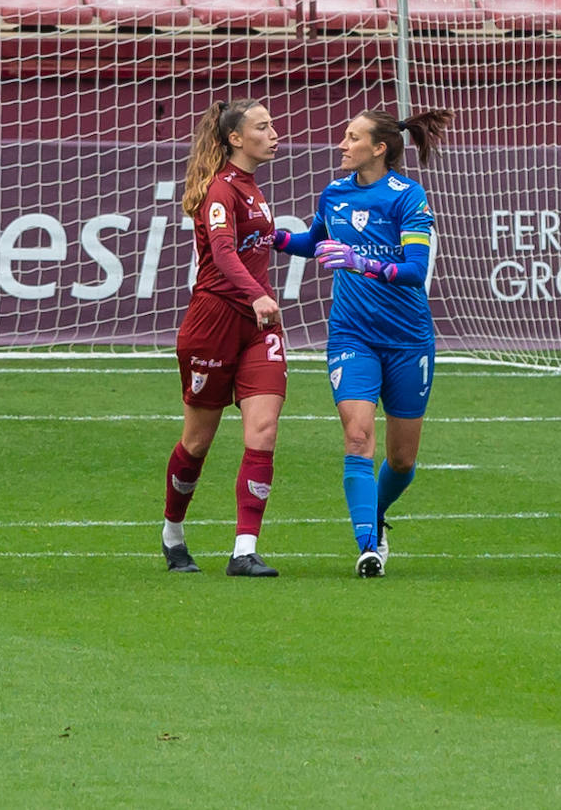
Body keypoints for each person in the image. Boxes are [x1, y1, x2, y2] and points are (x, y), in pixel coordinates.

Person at [272, 108, 452, 577]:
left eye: (352, 138)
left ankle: (378, 514)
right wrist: (268, 236)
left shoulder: (408, 197)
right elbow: (313, 242)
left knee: (402, 459)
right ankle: (368, 546)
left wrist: (362, 262)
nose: (341, 145)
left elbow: (414, 272)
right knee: (357, 438)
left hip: (408, 339)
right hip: (352, 334)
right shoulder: (334, 193)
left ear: (379, 148)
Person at [161, 99, 285, 578]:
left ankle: (244, 550)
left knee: (264, 432)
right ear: (235, 138)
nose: (274, 132)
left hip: (258, 329)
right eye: (263, 126)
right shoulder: (220, 191)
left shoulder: (254, 189)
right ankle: (173, 531)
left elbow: (259, 247)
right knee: (197, 442)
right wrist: (256, 294)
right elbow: (223, 251)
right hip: (213, 324)